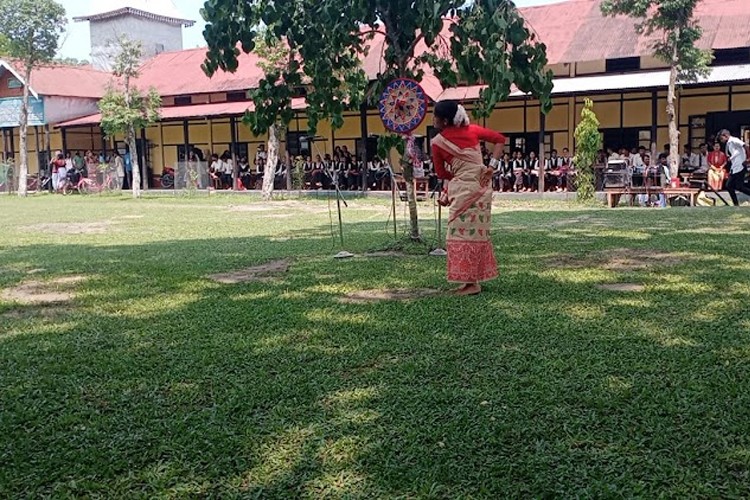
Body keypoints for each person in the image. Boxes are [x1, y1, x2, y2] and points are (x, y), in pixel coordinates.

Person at [431, 100, 505, 296]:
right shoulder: (473, 130)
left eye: (435, 116)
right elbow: (500, 139)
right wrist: (492, 166)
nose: (433, 119)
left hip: (463, 192)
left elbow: (440, 173)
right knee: (476, 234)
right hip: (481, 188)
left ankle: (472, 284)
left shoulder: (437, 143)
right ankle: (471, 282)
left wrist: (455, 180)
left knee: (456, 235)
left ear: (444, 120)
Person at [718, 129, 750, 206]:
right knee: (730, 186)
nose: (721, 141)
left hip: (740, 166)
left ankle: (736, 204)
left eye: (721, 138)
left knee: (738, 186)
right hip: (735, 166)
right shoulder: (729, 143)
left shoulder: (734, 140)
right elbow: (736, 152)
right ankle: (735, 204)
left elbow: (746, 146)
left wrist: (748, 158)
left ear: (725, 135)